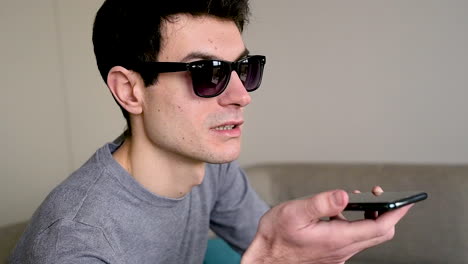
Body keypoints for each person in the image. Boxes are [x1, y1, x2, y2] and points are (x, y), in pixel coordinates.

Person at [9, 0, 412, 263]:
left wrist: (324, 236)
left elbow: (270, 240)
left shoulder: (209, 168)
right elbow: (267, 253)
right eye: (208, 73)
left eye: (244, 69)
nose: (241, 96)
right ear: (131, 90)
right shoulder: (75, 242)